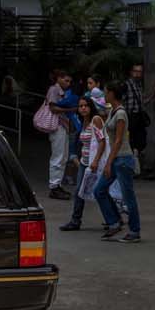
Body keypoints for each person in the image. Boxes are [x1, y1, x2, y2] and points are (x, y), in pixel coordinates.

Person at [94, 83, 141, 243]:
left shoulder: (120, 114)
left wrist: (108, 163)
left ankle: (135, 231)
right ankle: (114, 221)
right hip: (116, 159)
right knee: (99, 190)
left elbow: (119, 140)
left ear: (113, 93)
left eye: (106, 92)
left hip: (122, 159)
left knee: (128, 197)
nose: (105, 95)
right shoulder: (112, 111)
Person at [61, 96, 107, 232]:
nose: (83, 108)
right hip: (84, 163)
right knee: (79, 192)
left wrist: (96, 161)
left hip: (94, 163)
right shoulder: (83, 122)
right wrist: (77, 159)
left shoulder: (95, 120)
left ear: (90, 107)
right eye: (80, 106)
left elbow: (102, 141)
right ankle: (75, 221)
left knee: (101, 191)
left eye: (85, 105)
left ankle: (114, 218)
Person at [44, 71, 78, 200]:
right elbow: (53, 108)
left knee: (63, 156)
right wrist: (70, 109)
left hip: (62, 125)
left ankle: (57, 184)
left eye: (69, 81)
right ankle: (54, 186)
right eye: (66, 80)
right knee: (58, 156)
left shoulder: (62, 91)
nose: (68, 83)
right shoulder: (54, 90)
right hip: (57, 125)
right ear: (59, 79)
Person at [124, 63, 149, 172]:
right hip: (130, 116)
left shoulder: (139, 85)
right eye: (136, 71)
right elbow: (122, 100)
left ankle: (136, 160)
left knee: (141, 141)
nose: (138, 74)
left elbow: (141, 102)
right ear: (131, 72)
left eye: (140, 72)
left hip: (138, 116)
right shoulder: (126, 85)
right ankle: (133, 165)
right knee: (132, 141)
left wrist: (152, 94)